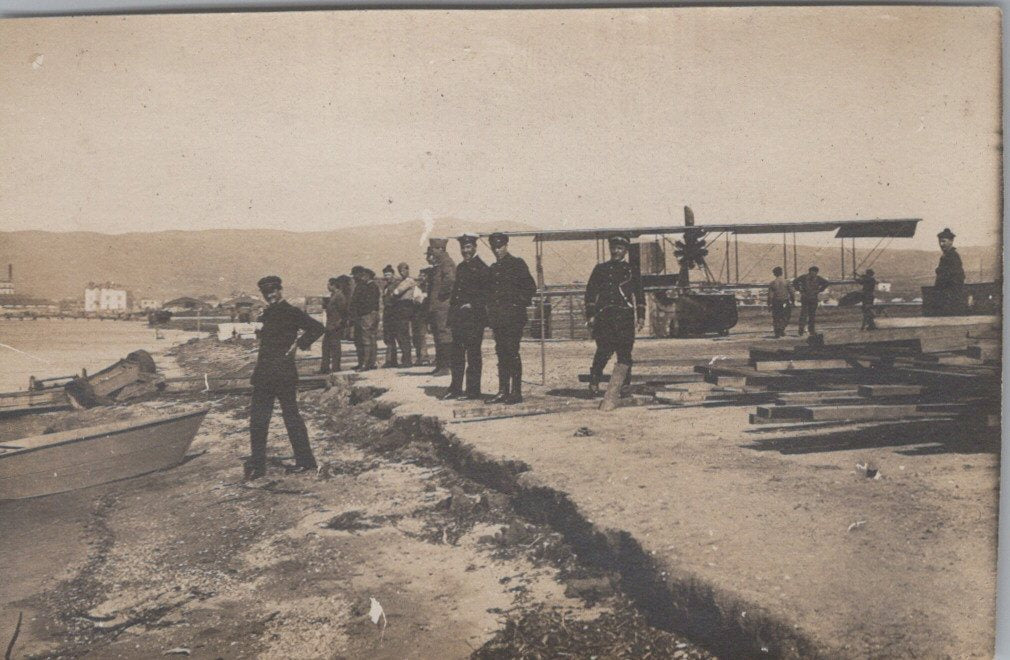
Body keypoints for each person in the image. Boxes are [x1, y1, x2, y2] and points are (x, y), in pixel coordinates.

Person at [246, 275, 325, 480]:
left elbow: (317, 328)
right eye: (266, 293)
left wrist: (299, 344)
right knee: (258, 419)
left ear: (280, 290)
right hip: (264, 373)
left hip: (283, 373)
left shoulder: (291, 311)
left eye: (273, 291)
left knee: (291, 417)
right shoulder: (267, 313)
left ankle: (306, 461)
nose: (270, 295)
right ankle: (258, 464)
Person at [585, 234, 645, 398]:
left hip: (625, 317)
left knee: (625, 352)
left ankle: (624, 386)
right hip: (605, 317)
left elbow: (639, 294)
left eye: (619, 248)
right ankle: (594, 383)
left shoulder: (632, 270)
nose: (615, 251)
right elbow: (590, 293)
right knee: (603, 351)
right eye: (613, 248)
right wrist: (590, 315)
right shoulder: (600, 269)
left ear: (625, 251)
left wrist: (641, 317)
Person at [485, 233, 537, 404]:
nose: (497, 250)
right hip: (499, 319)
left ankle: (516, 392)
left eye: (499, 246)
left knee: (512, 352)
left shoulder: (517, 264)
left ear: (506, 245)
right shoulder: (493, 268)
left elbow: (530, 287)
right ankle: (502, 391)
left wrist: (517, 304)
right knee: (501, 353)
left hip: (514, 318)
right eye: (494, 247)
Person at [441, 233, 491, 400]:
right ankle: (455, 388)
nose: (465, 251)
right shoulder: (461, 267)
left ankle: (473, 391)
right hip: (459, 319)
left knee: (473, 355)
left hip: (474, 319)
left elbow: (486, 294)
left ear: (475, 247)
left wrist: (472, 304)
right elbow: (455, 295)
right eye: (463, 248)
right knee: (457, 355)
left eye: (468, 247)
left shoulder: (482, 268)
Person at [427, 238, 456, 376]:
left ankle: (445, 367)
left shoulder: (446, 262)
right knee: (438, 335)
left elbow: (450, 280)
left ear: (440, 249)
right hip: (437, 306)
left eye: (433, 248)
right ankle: (440, 365)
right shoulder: (440, 264)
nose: (431, 251)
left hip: (443, 306)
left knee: (444, 334)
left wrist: (441, 296)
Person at [350, 266, 380, 370]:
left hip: (366, 315)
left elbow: (363, 302)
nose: (354, 277)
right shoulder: (365, 285)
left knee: (365, 340)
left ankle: (365, 364)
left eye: (355, 275)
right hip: (365, 314)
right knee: (368, 339)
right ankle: (367, 363)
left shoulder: (367, 286)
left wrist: (358, 313)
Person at [934, 227, 967, 315]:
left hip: (950, 298)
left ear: (951, 241)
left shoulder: (953, 256)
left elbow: (957, 278)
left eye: (944, 241)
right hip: (945, 297)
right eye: (940, 241)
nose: (941, 244)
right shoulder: (945, 256)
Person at [320, 276, 349, 373]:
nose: (327, 286)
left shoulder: (339, 296)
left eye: (328, 284)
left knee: (335, 348)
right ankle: (325, 368)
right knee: (326, 347)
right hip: (329, 325)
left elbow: (344, 312)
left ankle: (336, 368)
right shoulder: (333, 295)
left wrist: (339, 323)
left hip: (335, 326)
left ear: (333, 285)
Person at [380, 265, 407, 367]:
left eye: (388, 274)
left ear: (393, 274)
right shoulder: (386, 286)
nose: (387, 276)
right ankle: (391, 360)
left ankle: (405, 360)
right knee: (389, 338)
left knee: (399, 337)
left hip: (395, 313)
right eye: (385, 275)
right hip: (388, 313)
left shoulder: (397, 284)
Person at [792, 266, 829, 336]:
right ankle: (802, 330)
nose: (814, 273)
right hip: (806, 298)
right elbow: (795, 282)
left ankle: (810, 330)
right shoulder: (805, 277)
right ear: (810, 271)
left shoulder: (817, 278)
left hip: (813, 298)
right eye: (813, 272)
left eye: (815, 272)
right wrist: (800, 290)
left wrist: (820, 290)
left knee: (811, 315)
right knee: (804, 315)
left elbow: (826, 283)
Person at [767, 266, 795, 338]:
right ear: (781, 273)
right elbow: (792, 293)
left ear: (774, 274)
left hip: (775, 302)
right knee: (786, 316)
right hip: (784, 302)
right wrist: (793, 301)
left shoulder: (772, 283)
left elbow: (770, 296)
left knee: (776, 317)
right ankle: (781, 329)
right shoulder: (786, 282)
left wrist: (769, 304)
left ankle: (777, 331)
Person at [412, 267, 432, 365]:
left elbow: (422, 300)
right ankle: (420, 357)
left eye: (424, 275)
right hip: (418, 314)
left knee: (423, 336)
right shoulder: (418, 286)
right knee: (417, 336)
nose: (422, 277)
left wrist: (422, 298)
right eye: (421, 275)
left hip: (426, 314)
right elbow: (416, 299)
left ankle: (424, 358)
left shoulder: (430, 287)